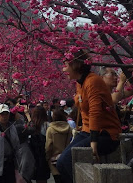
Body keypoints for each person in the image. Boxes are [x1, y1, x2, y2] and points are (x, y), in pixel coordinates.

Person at [55, 50, 121, 183]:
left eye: (66, 65)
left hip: (105, 134)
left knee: (67, 160)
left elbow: (95, 112)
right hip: (87, 131)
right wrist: (67, 102)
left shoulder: (93, 81)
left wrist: (94, 142)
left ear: (75, 65)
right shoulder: (81, 82)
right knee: (61, 162)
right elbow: (80, 99)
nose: (63, 69)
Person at [45, 110, 72, 183]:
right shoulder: (69, 128)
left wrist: (47, 157)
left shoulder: (50, 129)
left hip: (54, 159)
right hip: (66, 157)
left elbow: (48, 146)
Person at [26, 106, 50, 183]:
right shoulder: (47, 125)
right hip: (43, 155)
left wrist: (27, 116)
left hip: (32, 154)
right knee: (42, 178)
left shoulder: (30, 126)